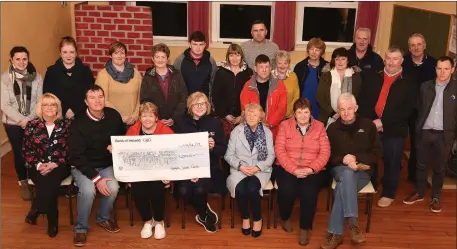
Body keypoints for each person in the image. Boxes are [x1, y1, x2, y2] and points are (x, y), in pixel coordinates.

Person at [357, 46, 417, 208]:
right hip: (372, 126)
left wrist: (383, 122)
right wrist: (370, 123)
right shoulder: (373, 76)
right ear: (384, 58)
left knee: (392, 161)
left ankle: (388, 193)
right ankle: (372, 186)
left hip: (394, 129)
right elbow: (364, 101)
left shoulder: (409, 81)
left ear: (402, 61)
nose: (391, 62)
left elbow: (407, 109)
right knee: (371, 159)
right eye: (388, 58)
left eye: (395, 59)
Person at [321, 93, 382, 249]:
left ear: (356, 108)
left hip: (362, 171)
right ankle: (353, 224)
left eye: (349, 109)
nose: (346, 113)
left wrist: (356, 157)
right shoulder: (333, 128)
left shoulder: (368, 125)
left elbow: (377, 153)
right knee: (347, 173)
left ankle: (336, 234)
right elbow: (327, 156)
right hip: (340, 169)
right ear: (338, 111)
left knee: (343, 186)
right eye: (342, 109)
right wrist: (343, 160)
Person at [68, 85, 125, 247]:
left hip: (106, 163)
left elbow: (121, 137)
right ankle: (81, 228)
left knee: (113, 188)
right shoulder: (78, 123)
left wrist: (116, 146)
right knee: (88, 190)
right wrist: (97, 178)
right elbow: (76, 157)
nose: (97, 101)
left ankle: (103, 218)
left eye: (100, 96)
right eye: (92, 98)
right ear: (86, 101)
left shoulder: (113, 116)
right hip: (83, 166)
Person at [403, 56, 457, 213]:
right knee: (420, 164)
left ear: (452, 70)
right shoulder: (425, 87)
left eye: (446, 68)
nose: (442, 72)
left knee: (440, 168)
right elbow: (418, 108)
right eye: (439, 68)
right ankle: (419, 192)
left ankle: (436, 197)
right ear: (435, 69)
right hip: (425, 132)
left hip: (445, 135)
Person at [275, 98, 330, 246]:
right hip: (288, 167)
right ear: (294, 113)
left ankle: (305, 228)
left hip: (311, 169)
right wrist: (293, 169)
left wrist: (311, 169)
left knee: (309, 193)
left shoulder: (319, 127)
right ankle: (285, 217)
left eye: (306, 112)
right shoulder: (285, 125)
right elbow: (279, 150)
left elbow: (325, 152)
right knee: (287, 190)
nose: (303, 115)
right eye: (299, 112)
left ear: (311, 112)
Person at [174, 92, 227, 233]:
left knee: (198, 189)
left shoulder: (215, 123)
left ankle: (202, 215)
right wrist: (190, 171)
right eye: (196, 104)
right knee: (184, 190)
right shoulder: (180, 123)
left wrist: (213, 147)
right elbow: (176, 149)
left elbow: (222, 150)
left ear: (207, 105)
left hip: (209, 168)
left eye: (203, 103)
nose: (200, 106)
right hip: (186, 167)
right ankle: (204, 212)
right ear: (190, 106)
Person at [22, 93, 72, 238]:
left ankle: (37, 209)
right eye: (46, 104)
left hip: (60, 165)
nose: (49, 107)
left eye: (53, 104)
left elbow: (70, 149)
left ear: (58, 108)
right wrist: (38, 165)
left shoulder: (67, 125)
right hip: (36, 166)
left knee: (50, 181)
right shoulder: (32, 125)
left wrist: (54, 163)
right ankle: (52, 222)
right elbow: (26, 150)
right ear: (40, 108)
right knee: (48, 183)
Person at [225, 103, 275, 238]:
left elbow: (271, 156)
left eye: (254, 114)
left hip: (260, 170)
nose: (251, 116)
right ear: (244, 116)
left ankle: (258, 219)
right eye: (248, 114)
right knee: (241, 189)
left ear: (260, 117)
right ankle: (245, 218)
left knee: (252, 187)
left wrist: (258, 167)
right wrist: (240, 166)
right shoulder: (237, 131)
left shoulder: (267, 132)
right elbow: (228, 155)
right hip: (240, 169)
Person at [126, 102, 173, 239]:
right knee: (137, 189)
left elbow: (173, 154)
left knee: (156, 188)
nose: (147, 119)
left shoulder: (166, 131)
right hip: (139, 171)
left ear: (156, 118)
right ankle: (147, 221)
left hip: (160, 171)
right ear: (139, 118)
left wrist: (168, 174)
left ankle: (159, 221)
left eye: (150, 116)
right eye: (144, 116)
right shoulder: (133, 131)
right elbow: (127, 153)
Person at [1, 46, 43, 201]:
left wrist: (29, 119)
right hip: (12, 124)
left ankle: (35, 180)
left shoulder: (37, 77)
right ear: (12, 60)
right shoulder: (5, 79)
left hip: (32, 120)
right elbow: (5, 105)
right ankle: (23, 182)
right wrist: (21, 120)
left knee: (35, 151)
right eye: (17, 59)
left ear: (28, 59)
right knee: (20, 153)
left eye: (24, 59)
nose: (21, 62)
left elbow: (39, 100)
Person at [402, 33, 437, 183]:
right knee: (395, 140)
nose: (416, 48)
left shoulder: (434, 64)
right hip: (404, 108)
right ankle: (394, 169)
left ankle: (414, 175)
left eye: (419, 44)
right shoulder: (403, 62)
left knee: (418, 142)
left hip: (423, 110)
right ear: (409, 48)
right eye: (412, 45)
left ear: (424, 45)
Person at [43, 36, 94, 119]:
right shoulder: (51, 72)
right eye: (65, 52)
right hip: (57, 116)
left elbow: (90, 94)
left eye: (72, 52)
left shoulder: (85, 71)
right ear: (60, 53)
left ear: (76, 53)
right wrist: (64, 110)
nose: (68, 55)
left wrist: (75, 110)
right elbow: (48, 96)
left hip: (82, 115)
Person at [96, 41, 142, 128]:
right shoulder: (103, 74)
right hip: (112, 122)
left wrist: (135, 115)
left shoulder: (135, 73)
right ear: (110, 55)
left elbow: (141, 97)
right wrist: (119, 116)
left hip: (134, 122)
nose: (119, 56)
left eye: (122, 53)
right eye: (116, 53)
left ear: (126, 55)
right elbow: (102, 99)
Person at [140, 43, 187, 128]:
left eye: (163, 57)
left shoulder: (177, 75)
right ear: (152, 59)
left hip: (176, 122)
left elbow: (183, 98)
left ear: (168, 59)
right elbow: (145, 101)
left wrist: (174, 118)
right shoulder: (147, 77)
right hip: (155, 123)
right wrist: (156, 118)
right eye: (157, 57)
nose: (160, 60)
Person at [240, 54, 287, 139]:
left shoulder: (279, 85)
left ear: (270, 68)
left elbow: (282, 109)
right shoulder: (248, 86)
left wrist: (269, 123)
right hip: (252, 128)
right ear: (255, 68)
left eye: (267, 67)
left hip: (273, 129)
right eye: (261, 67)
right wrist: (257, 123)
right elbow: (245, 107)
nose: (264, 70)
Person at [212, 44, 253, 139]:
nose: (234, 58)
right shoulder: (220, 73)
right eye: (231, 55)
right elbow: (216, 95)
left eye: (237, 55)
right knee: (226, 142)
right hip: (224, 116)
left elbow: (251, 95)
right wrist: (225, 114)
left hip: (243, 116)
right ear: (227, 57)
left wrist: (243, 114)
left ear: (241, 57)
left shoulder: (248, 73)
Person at [317, 47, 361, 126]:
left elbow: (358, 97)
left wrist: (345, 113)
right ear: (333, 61)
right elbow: (320, 97)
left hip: (350, 117)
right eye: (337, 59)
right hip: (328, 116)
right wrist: (332, 113)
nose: (340, 62)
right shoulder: (326, 75)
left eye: (343, 59)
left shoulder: (356, 76)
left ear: (348, 60)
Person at [173, 31, 218, 97]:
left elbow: (213, 84)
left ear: (205, 45)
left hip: (204, 103)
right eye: (195, 44)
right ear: (189, 44)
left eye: (201, 44)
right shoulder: (180, 60)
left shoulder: (211, 61)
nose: (198, 48)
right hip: (185, 102)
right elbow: (175, 84)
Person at [293, 38, 328, 119]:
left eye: (317, 50)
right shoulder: (299, 66)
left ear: (321, 52)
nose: (314, 52)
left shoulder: (327, 67)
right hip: (303, 106)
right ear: (308, 50)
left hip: (321, 106)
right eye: (311, 49)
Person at [272, 50, 299, 118]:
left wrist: (288, 111)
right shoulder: (270, 76)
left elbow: (296, 96)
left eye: (285, 63)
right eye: (279, 63)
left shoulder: (293, 76)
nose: (282, 66)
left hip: (289, 115)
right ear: (276, 63)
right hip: (272, 115)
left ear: (289, 64)